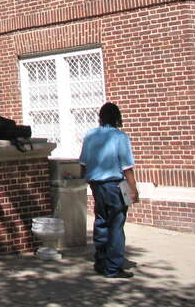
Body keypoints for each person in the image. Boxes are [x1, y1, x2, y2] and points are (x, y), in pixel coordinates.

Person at [79, 102, 139, 279]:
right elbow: (127, 166)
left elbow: (83, 163)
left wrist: (84, 180)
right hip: (116, 185)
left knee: (101, 221)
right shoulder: (120, 137)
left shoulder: (90, 135)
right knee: (116, 225)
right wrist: (133, 189)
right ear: (117, 118)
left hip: (96, 185)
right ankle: (113, 267)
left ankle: (101, 261)